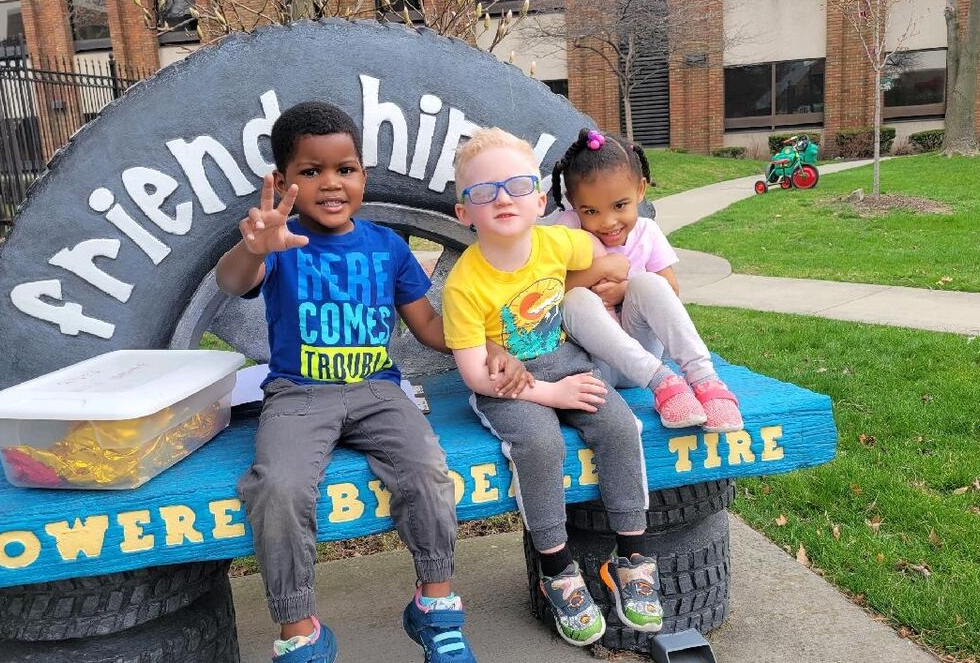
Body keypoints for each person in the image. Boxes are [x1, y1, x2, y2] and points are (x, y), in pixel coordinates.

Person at [216, 101, 528, 663]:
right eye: (311, 172)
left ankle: (435, 606)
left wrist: (488, 346)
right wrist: (254, 247)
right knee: (278, 487)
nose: (331, 184)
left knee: (428, 469)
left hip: (378, 390)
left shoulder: (386, 246)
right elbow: (235, 278)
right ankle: (299, 628)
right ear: (283, 181)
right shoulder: (279, 243)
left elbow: (431, 325)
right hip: (298, 393)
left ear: (363, 174)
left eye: (346, 169)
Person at [441, 127, 665, 647]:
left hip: (567, 361)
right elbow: (477, 374)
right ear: (463, 212)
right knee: (540, 444)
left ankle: (630, 557)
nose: (502, 199)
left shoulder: (557, 240)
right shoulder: (464, 284)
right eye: (483, 192)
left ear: (540, 200)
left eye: (517, 186)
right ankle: (557, 568)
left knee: (617, 423)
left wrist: (607, 270)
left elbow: (605, 261)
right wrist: (551, 396)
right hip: (508, 386)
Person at [548, 128, 744, 433]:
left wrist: (624, 289)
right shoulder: (567, 231)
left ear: (640, 190)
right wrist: (604, 267)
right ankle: (664, 383)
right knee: (574, 299)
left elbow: (672, 290)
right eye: (591, 211)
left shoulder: (647, 231)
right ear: (573, 203)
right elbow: (550, 290)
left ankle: (704, 379)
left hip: (643, 347)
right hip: (595, 366)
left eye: (619, 206)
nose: (608, 221)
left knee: (650, 283)